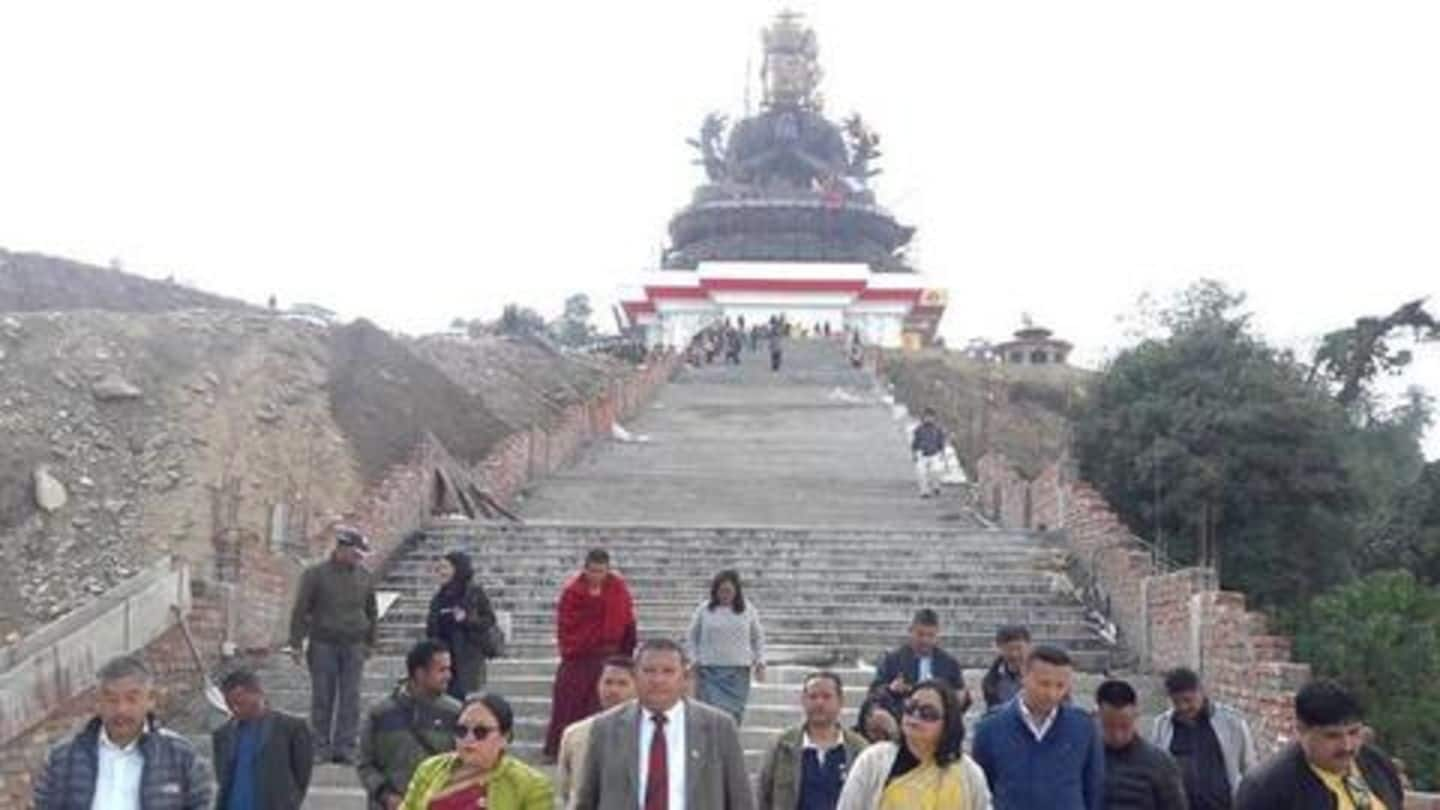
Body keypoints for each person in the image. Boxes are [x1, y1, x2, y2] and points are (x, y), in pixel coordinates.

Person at [573, 638, 754, 810]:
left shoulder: (719, 727)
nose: (658, 680)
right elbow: (587, 800)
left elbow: (740, 801)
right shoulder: (605, 728)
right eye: (649, 671)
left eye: (668, 671)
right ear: (635, 675)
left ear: (684, 677)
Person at [34, 655, 212, 810]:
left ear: (150, 700)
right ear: (97, 702)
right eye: (111, 699)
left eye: (132, 699)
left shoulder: (180, 755)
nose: (121, 710)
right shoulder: (64, 757)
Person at [1235, 679, 1404, 810]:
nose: (1347, 746)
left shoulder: (1376, 763)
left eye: (1354, 733)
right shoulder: (1267, 789)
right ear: (1301, 731)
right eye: (1332, 736)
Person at [972, 645, 1104, 810]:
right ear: (1024, 676)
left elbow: (1093, 788)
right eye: (1044, 684)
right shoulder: (990, 729)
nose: (1052, 694)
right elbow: (982, 789)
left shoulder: (1083, 728)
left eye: (1060, 686)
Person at [287, 525, 379, 764]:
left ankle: (345, 747)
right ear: (341, 548)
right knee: (322, 697)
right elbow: (300, 610)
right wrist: (296, 643)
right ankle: (319, 746)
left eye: (361, 555)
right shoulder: (315, 575)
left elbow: (371, 611)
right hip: (323, 644)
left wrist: (371, 642)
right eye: (355, 553)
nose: (358, 558)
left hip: (354, 645)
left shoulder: (365, 577)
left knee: (351, 697)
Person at [836, 679, 991, 810]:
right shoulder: (874, 760)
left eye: (927, 713)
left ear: (948, 723)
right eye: (910, 708)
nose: (915, 716)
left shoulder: (968, 773)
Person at [544, 549, 638, 759]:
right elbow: (566, 625)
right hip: (578, 658)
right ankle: (563, 749)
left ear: (608, 570)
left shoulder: (617, 589)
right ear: (585, 569)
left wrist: (625, 653)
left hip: (608, 655)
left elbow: (627, 620)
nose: (597, 576)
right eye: (593, 571)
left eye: (601, 571)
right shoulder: (573, 592)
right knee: (570, 703)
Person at [358, 639, 464, 810]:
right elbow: (365, 764)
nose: (448, 676)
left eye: (449, 669)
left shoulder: (456, 713)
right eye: (442, 670)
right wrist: (387, 797)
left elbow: (465, 762)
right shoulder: (380, 713)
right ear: (420, 673)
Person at [400, 693, 553, 810]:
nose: (469, 738)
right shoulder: (430, 769)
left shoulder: (531, 786)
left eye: (481, 732)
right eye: (461, 730)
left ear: (505, 738)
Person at [757, 671, 871, 810]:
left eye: (826, 696)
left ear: (841, 701)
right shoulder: (782, 745)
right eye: (813, 696)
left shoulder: (859, 748)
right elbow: (764, 795)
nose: (819, 703)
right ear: (803, 700)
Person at [1151, 667, 1257, 809]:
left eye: (1188, 700)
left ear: (1201, 691)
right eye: (1176, 702)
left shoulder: (1231, 723)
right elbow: (1155, 771)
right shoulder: (1162, 726)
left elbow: (1249, 768)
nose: (1183, 707)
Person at [213, 669, 314, 810]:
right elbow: (222, 778)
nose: (235, 709)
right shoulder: (222, 735)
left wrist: (288, 803)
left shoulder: (291, 729)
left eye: (240, 702)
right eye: (230, 705)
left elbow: (301, 776)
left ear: (259, 694)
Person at [686, 569, 767, 724]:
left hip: (738, 673)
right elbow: (692, 636)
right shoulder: (704, 610)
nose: (725, 595)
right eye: (721, 591)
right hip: (709, 671)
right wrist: (694, 659)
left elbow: (758, 637)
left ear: (736, 591)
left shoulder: (748, 610)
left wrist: (760, 661)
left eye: (729, 591)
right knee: (710, 714)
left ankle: (729, 745)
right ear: (715, 591)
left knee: (732, 716)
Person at [558, 657, 639, 809]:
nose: (613, 690)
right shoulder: (576, 734)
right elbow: (567, 789)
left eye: (622, 684)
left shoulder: (650, 735)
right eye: (608, 682)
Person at [1095, 680, 1188, 810]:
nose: (1117, 735)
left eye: (1125, 726)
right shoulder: (1083, 760)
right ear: (1096, 717)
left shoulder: (1160, 763)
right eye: (1109, 727)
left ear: (1136, 716)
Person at [868, 609, 970, 721]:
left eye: (930, 635)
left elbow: (961, 697)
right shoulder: (892, 660)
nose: (925, 640)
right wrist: (891, 688)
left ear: (937, 635)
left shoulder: (949, 663)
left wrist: (961, 698)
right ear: (911, 631)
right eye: (920, 634)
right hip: (902, 722)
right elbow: (874, 693)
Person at [426, 551, 500, 701]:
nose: (441, 572)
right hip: (444, 657)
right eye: (439, 568)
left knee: (465, 699)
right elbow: (432, 627)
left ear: (458, 569)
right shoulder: (439, 596)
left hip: (468, 657)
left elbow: (489, 619)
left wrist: (467, 619)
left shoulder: (474, 592)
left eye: (445, 568)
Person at [981, 625, 1031, 712]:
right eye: (1009, 649)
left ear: (1029, 646)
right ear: (999, 648)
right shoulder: (991, 681)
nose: (1014, 654)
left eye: (1019, 648)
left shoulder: (1041, 674)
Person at [912, 409, 946, 499]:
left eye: (930, 417)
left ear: (934, 418)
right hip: (922, 454)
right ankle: (924, 491)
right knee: (921, 474)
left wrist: (942, 452)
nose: (928, 419)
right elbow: (915, 442)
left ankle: (936, 486)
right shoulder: (919, 429)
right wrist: (915, 453)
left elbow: (941, 442)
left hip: (934, 453)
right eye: (927, 417)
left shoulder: (938, 429)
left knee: (935, 471)